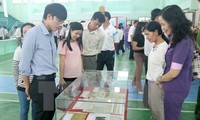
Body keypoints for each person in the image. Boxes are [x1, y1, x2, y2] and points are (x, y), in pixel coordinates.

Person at [19, 3, 67, 120]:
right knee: (41, 117)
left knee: (48, 116)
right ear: (49, 16)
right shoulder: (33, 34)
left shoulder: (51, 34)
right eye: (59, 21)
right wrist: (27, 86)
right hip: (41, 83)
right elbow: (24, 64)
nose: (60, 25)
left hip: (50, 81)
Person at [156, 5, 194, 120]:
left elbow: (174, 72)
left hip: (175, 88)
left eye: (163, 24)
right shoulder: (176, 38)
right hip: (174, 86)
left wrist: (160, 79)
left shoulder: (182, 42)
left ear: (173, 22)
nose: (162, 28)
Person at [144, 21, 168, 120]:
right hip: (151, 81)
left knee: (158, 110)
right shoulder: (155, 45)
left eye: (147, 34)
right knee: (153, 108)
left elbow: (167, 68)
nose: (146, 37)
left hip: (157, 83)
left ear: (156, 32)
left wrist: (160, 80)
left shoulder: (164, 48)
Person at [12, 22, 35, 120]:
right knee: (24, 110)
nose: (28, 34)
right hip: (22, 86)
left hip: (37, 85)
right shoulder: (19, 50)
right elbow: (15, 68)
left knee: (36, 110)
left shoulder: (39, 49)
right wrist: (17, 83)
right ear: (22, 34)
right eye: (25, 32)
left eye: (31, 31)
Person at [58, 22, 83, 87]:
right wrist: (61, 78)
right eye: (76, 33)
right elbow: (62, 61)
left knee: (78, 95)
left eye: (80, 34)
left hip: (78, 75)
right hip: (67, 76)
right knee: (68, 96)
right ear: (71, 30)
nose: (78, 36)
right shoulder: (63, 43)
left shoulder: (79, 43)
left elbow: (80, 59)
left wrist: (81, 73)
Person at [132, 22, 146, 94]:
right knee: (139, 69)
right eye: (144, 27)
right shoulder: (136, 36)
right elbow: (134, 47)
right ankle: (138, 87)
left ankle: (133, 82)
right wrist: (144, 47)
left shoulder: (145, 35)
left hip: (144, 54)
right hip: (138, 54)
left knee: (138, 68)